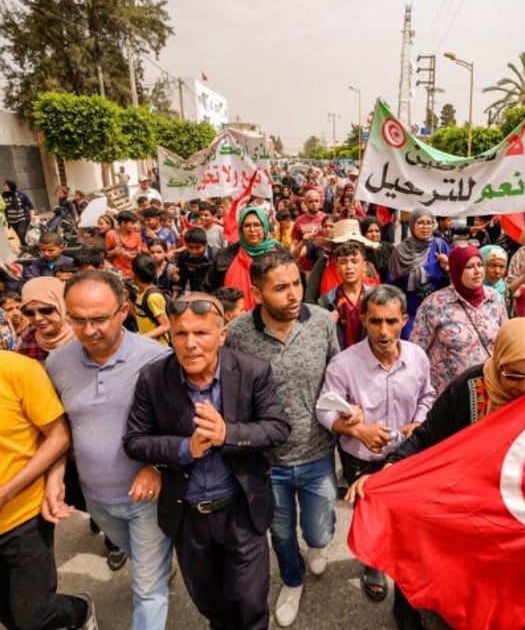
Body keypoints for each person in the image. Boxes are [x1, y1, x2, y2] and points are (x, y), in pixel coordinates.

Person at [348, 317, 525, 629]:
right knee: (425, 561)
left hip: (510, 511)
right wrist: (388, 474)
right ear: (498, 363)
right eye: (514, 375)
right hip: (459, 502)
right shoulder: (471, 386)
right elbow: (427, 435)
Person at [124, 293, 290, 630]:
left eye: (201, 333)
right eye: (181, 334)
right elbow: (135, 441)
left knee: (250, 601)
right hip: (188, 516)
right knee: (210, 601)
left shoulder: (252, 371)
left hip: (241, 509)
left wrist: (227, 433)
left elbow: (277, 428)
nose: (190, 344)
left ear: (222, 335)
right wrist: (186, 448)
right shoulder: (153, 378)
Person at [46, 270, 172, 630]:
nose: (89, 330)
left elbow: (177, 424)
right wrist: (56, 479)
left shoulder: (156, 359)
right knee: (142, 559)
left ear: (123, 311)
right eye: (78, 319)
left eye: (99, 318)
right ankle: (163, 564)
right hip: (96, 500)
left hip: (146, 497)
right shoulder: (58, 363)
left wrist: (156, 466)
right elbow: (58, 431)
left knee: (147, 590)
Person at [224, 251, 339, 628]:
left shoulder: (321, 321)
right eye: (280, 288)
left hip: (319, 452)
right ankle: (291, 578)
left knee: (318, 530)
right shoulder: (239, 333)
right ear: (257, 293)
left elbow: (338, 377)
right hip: (266, 462)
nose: (293, 295)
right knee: (281, 532)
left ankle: (319, 543)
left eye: (296, 284)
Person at [318, 285, 435, 602]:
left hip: (407, 456)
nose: (384, 331)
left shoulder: (417, 356)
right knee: (369, 513)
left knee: (408, 511)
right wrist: (357, 431)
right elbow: (325, 411)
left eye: (392, 321)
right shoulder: (343, 364)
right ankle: (373, 563)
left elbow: (428, 395)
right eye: (375, 322)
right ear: (364, 321)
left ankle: (406, 560)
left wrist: (419, 423)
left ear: (404, 319)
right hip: (360, 459)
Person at [0, 350, 97, 630]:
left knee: (34, 614)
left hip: (23, 515)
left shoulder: (19, 370)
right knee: (9, 614)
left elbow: (59, 435)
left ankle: (81, 609)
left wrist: (7, 491)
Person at [410, 245, 507, 396]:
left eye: (480, 265)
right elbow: (416, 352)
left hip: (488, 390)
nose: (477, 271)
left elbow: (504, 339)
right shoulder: (435, 304)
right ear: (456, 269)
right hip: (450, 396)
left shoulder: (495, 298)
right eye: (469, 266)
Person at [202, 206, 282, 309]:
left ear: (264, 227)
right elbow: (209, 288)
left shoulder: (278, 253)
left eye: (257, 225)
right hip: (233, 319)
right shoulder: (226, 255)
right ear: (241, 229)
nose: (252, 230)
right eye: (247, 225)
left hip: (272, 317)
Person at [388, 208, 450, 339]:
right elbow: (391, 287)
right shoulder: (400, 252)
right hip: (410, 314)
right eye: (420, 222)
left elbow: (452, 282)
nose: (425, 227)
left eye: (429, 222)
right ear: (412, 225)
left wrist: (446, 269)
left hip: (438, 313)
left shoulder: (440, 246)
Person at [16, 277, 75, 362]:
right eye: (29, 312)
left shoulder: (84, 337)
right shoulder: (26, 342)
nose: (37, 318)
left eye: (46, 310)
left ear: (62, 305)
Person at [131, 254, 171, 346]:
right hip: (147, 344)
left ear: (133, 274)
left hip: (158, 346)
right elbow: (138, 315)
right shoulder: (140, 292)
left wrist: (142, 338)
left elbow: (166, 326)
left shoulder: (153, 297)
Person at [172, 227, 212, 295]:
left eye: (198, 247)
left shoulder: (214, 256)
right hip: (194, 293)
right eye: (190, 247)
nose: (194, 251)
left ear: (205, 244)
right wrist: (176, 277)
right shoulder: (184, 255)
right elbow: (182, 280)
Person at [106, 211, 143, 279]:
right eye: (132, 223)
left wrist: (131, 257)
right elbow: (104, 255)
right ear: (123, 223)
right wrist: (114, 252)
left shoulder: (137, 236)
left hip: (134, 273)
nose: (135, 226)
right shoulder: (111, 235)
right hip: (118, 274)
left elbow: (139, 253)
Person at [361, 216, 394, 283]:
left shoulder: (389, 247)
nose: (374, 234)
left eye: (377, 231)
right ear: (364, 233)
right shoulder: (361, 250)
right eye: (370, 231)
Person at [2, 179, 34, 251]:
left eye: (6, 185)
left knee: (22, 232)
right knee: (19, 235)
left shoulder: (20, 194)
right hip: (12, 220)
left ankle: (27, 246)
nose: (5, 186)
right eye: (4, 185)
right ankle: (25, 248)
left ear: (11, 185)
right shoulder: (3, 195)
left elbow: (30, 204)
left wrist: (32, 215)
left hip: (22, 218)